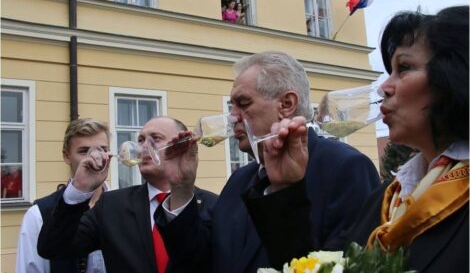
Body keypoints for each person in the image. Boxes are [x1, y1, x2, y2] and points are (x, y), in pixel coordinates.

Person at [255, 6, 469, 273]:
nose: (383, 87)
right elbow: (317, 267)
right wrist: (285, 188)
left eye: (403, 68)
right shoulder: (387, 196)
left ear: (453, 75)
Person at [157, 51, 381, 272]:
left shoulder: (345, 167)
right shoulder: (240, 178)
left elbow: (347, 265)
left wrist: (284, 191)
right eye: (231, 106)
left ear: (286, 104)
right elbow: (200, 263)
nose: (233, 116)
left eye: (243, 104)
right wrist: (181, 189)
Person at [37, 116, 218, 273]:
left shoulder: (214, 205)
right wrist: (78, 190)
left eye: (155, 138)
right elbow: (53, 248)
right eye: (140, 140)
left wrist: (181, 188)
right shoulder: (111, 205)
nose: (143, 147)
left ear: (181, 144)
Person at [16, 118, 110, 273]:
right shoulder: (39, 214)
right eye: (84, 151)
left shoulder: (123, 206)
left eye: (102, 149)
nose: (95, 158)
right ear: (67, 156)